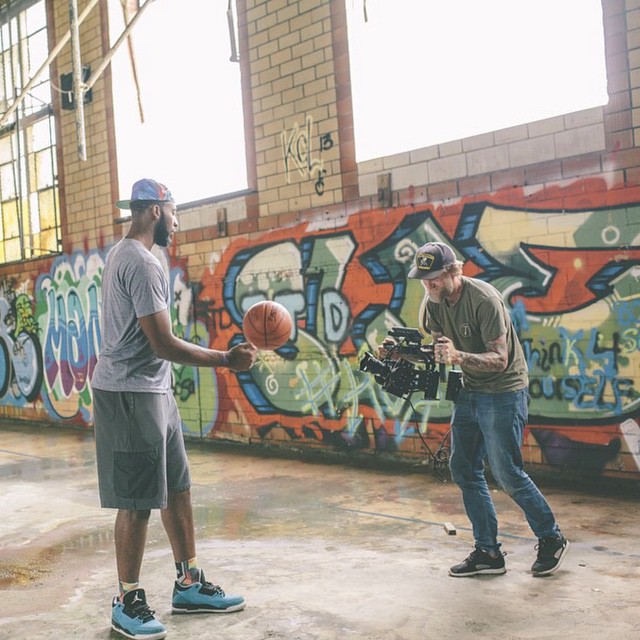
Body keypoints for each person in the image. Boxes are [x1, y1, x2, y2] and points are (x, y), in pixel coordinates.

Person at [91, 178, 258, 640]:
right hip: (128, 394)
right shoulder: (139, 262)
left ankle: (188, 584)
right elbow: (162, 342)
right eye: (175, 212)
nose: (178, 223)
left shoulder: (141, 257)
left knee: (178, 487)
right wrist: (227, 359)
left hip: (155, 391)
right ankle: (126, 600)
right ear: (155, 211)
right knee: (138, 500)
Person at [382, 241, 569, 578]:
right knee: (464, 468)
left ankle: (551, 537)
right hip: (470, 391)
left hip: (503, 391)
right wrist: (400, 354)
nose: (429, 285)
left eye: (435, 278)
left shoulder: (484, 300)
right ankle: (488, 551)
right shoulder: (434, 303)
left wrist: (458, 357)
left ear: (454, 271)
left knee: (506, 471)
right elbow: (439, 353)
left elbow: (500, 361)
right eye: (424, 280)